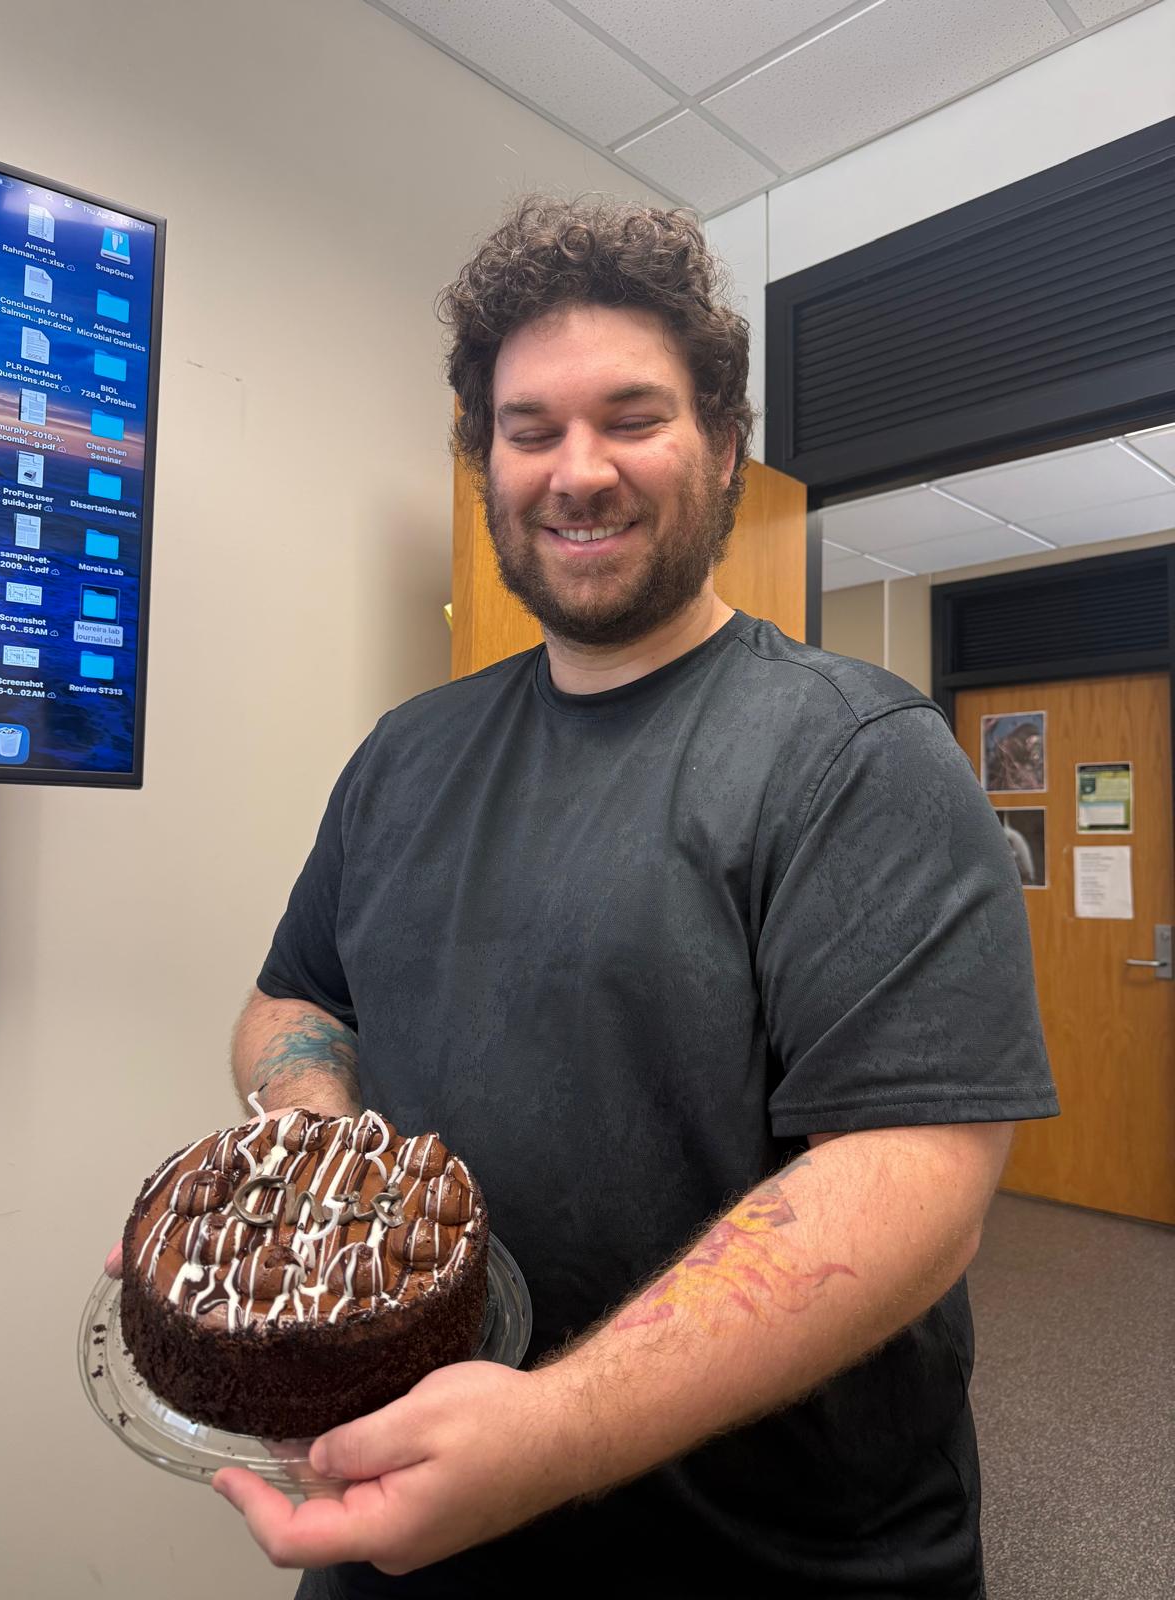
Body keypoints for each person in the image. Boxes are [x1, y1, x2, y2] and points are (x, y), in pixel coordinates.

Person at [198, 198, 1058, 1597]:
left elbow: (918, 1184)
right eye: (529, 428)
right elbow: (296, 1003)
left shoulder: (853, 756)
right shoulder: (405, 757)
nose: (577, 470)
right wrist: (322, 1170)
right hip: (399, 1527)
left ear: (722, 446)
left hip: (769, 1558)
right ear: (486, 462)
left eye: (632, 416)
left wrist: (551, 1428)